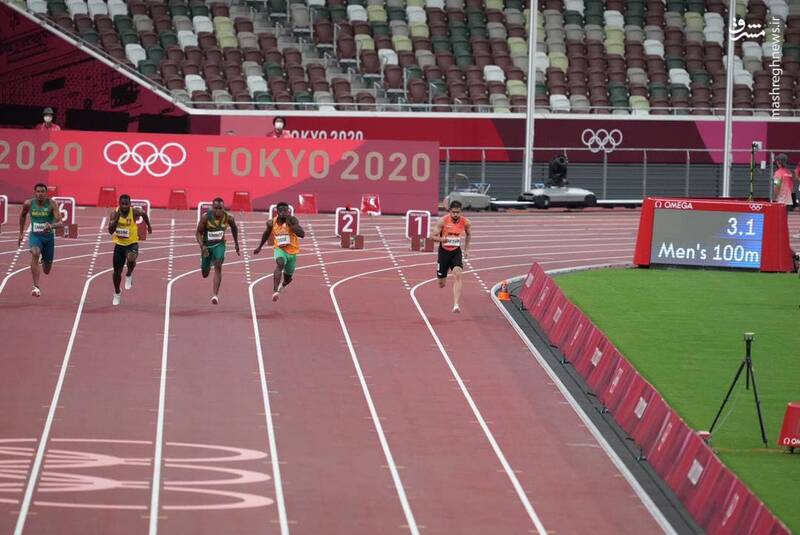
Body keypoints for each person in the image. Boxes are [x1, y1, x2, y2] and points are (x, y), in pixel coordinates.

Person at [17, 183, 64, 297]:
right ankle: (36, 287)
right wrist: (21, 233)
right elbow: (22, 215)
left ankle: (43, 259)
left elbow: (60, 223)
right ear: (35, 193)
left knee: (47, 270)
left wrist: (51, 226)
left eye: (43, 191)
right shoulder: (28, 204)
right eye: (38, 191)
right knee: (35, 253)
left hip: (48, 238)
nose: (40, 194)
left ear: (46, 193)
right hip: (35, 236)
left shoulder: (52, 204)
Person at [253, 202, 305, 302]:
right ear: (277, 211)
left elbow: (302, 234)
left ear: (288, 211)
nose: (284, 212)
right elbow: (266, 234)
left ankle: (283, 284)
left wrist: (290, 225)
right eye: (281, 210)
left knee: (288, 279)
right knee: (280, 263)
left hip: (292, 252)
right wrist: (259, 247)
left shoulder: (292, 220)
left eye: (286, 210)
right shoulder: (271, 223)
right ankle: (275, 291)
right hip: (279, 249)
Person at [108, 194, 152, 306]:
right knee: (116, 273)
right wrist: (116, 220)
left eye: (126, 204)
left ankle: (128, 274)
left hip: (132, 243)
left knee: (131, 259)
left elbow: (144, 214)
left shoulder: (134, 212)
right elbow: (110, 231)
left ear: (130, 204)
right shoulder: (114, 214)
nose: (124, 206)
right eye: (122, 204)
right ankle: (117, 292)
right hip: (119, 245)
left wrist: (149, 226)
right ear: (119, 203)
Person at [196, 198, 240, 304]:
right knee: (205, 273)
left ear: (224, 208)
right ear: (212, 207)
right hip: (207, 246)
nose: (218, 210)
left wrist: (236, 244)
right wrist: (202, 246)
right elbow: (198, 233)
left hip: (219, 244)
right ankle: (208, 261)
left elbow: (234, 228)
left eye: (220, 208)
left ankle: (215, 295)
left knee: (218, 264)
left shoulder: (229, 218)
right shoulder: (206, 217)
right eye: (216, 208)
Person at [431, 200, 471, 313]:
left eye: (458, 212)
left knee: (458, 275)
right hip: (443, 253)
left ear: (461, 211)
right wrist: (441, 239)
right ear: (449, 211)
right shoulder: (442, 221)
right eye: (453, 212)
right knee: (441, 284)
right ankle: (442, 276)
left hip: (455, 252)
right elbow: (431, 236)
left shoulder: (466, 222)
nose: (455, 214)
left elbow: (469, 234)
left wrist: (466, 249)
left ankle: (456, 305)